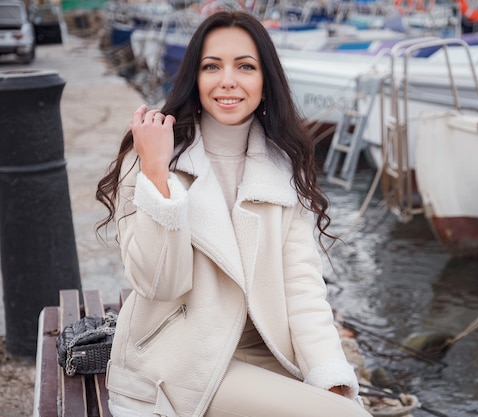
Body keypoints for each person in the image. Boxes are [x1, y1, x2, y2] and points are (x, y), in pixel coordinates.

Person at [96, 10, 372, 417]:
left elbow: (302, 288)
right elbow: (158, 283)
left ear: (265, 81)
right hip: (176, 363)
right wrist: (157, 175)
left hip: (264, 356)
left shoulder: (282, 166)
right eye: (212, 67)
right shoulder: (153, 156)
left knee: (347, 404)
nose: (228, 80)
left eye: (245, 66)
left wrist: (329, 375)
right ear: (195, 77)